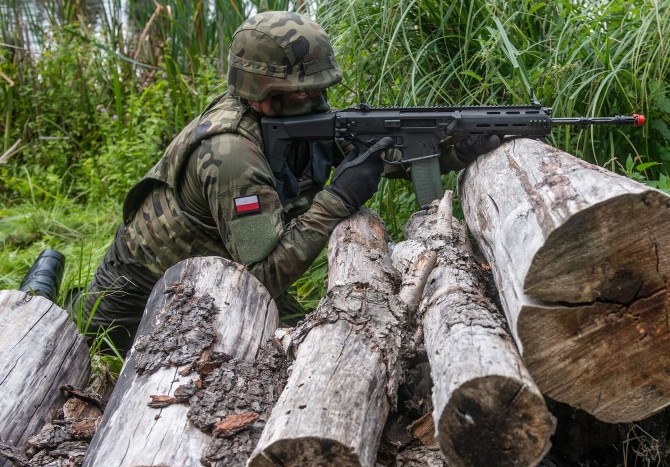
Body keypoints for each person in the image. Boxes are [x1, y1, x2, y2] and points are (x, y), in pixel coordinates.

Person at [69, 11, 498, 355]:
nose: (319, 101)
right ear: (261, 93)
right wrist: (340, 198)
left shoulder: (287, 120)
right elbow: (261, 275)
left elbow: (377, 159)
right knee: (77, 345)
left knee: (311, 345)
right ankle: (45, 291)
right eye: (302, 93)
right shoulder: (231, 153)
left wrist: (455, 150)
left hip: (215, 271)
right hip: (139, 296)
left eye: (320, 89)